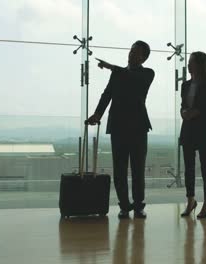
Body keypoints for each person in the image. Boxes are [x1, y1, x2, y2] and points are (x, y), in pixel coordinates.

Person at [87, 41, 155, 219]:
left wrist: (112, 67)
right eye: (131, 50)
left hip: (138, 127)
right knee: (119, 169)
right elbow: (107, 94)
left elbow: (134, 79)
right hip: (118, 126)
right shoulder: (118, 73)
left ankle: (139, 206)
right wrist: (97, 115)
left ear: (144, 58)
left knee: (138, 169)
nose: (131, 54)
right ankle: (124, 206)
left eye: (136, 52)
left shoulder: (147, 73)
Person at [179, 51, 206, 218]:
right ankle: (191, 200)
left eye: (191, 62)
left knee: (205, 169)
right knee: (189, 168)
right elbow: (183, 104)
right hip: (188, 129)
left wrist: (198, 112)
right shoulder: (185, 85)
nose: (188, 64)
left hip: (203, 131)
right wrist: (183, 112)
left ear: (199, 65)